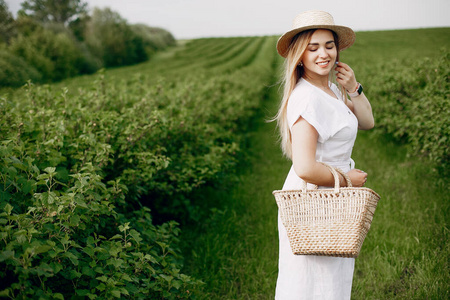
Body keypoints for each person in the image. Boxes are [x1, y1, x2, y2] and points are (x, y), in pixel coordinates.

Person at [273, 10, 375, 299]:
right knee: (312, 284)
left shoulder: (330, 89)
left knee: (331, 281)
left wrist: (353, 88)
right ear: (300, 54)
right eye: (313, 47)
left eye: (329, 45)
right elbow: (304, 167)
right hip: (315, 195)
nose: (323, 54)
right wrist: (347, 179)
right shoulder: (306, 98)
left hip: (332, 195)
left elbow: (367, 122)